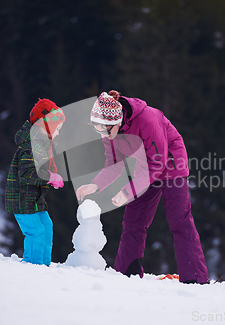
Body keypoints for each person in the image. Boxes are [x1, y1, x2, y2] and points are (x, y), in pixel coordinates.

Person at [76, 91, 209, 284]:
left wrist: (127, 191)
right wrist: (95, 185)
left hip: (172, 165)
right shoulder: (109, 131)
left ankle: (195, 278)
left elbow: (158, 163)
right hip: (146, 167)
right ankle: (126, 274)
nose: (104, 136)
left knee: (179, 221)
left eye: (105, 130)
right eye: (99, 131)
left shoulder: (148, 119)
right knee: (133, 221)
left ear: (118, 119)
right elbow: (114, 163)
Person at [5, 98, 65, 265]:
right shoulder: (31, 146)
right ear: (45, 125)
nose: (58, 132)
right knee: (36, 232)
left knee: (47, 227)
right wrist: (50, 177)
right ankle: (33, 266)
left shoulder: (41, 144)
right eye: (57, 128)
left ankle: (43, 265)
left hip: (35, 200)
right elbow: (26, 173)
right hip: (22, 200)